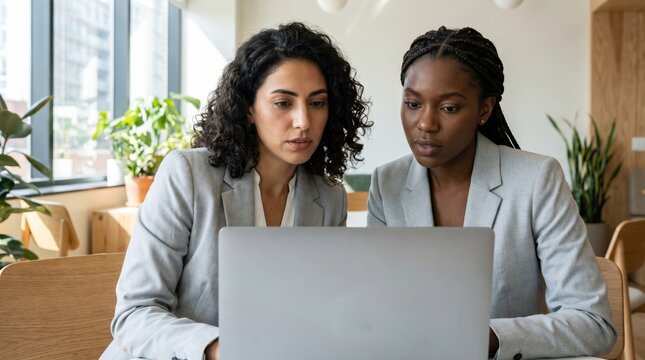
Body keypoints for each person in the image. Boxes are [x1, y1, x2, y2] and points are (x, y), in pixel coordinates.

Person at [100, 22, 371, 360]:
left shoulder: (329, 198)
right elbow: (134, 314)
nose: (304, 121)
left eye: (317, 103)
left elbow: (320, 311)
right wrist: (218, 349)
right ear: (248, 109)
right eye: (284, 103)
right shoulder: (188, 175)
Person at [367, 26, 616, 359]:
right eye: (413, 103)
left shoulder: (536, 180)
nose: (425, 123)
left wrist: (491, 337)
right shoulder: (387, 184)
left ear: (484, 109)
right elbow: (375, 308)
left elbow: (594, 324)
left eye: (449, 108)